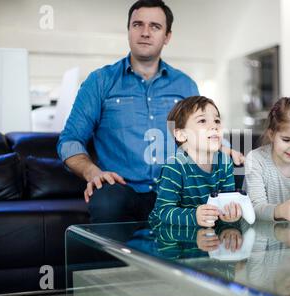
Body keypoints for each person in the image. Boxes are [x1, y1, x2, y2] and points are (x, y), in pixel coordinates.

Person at [57, 0, 242, 223]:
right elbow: (70, 140)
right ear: (128, 30)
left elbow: (200, 127)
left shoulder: (185, 85)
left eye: (155, 26)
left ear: (167, 36)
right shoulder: (99, 81)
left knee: (224, 188)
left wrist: (225, 148)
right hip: (122, 189)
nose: (145, 32)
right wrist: (92, 172)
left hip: (176, 186)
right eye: (137, 24)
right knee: (107, 199)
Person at [149, 96, 243, 227]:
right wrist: (194, 216)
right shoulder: (174, 166)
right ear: (181, 135)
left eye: (217, 121)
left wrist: (229, 214)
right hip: (170, 236)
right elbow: (163, 212)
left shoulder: (225, 162)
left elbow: (227, 203)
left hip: (210, 237)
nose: (214, 126)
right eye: (202, 120)